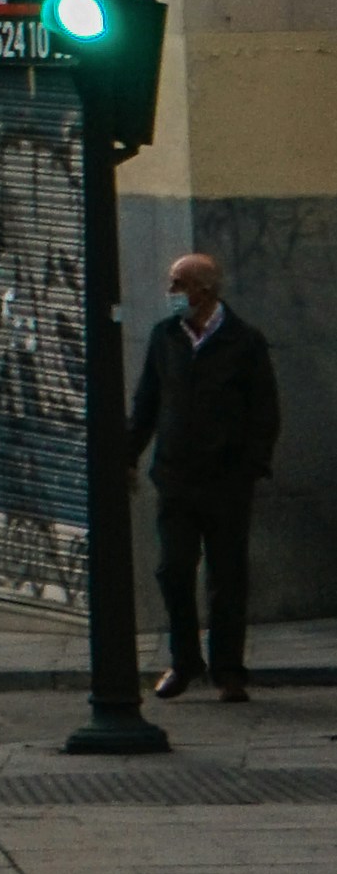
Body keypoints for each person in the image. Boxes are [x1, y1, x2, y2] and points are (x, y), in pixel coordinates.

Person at [130, 247, 280, 705]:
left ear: (204, 290)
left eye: (179, 284)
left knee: (227, 577)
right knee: (172, 570)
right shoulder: (165, 337)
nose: (171, 292)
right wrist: (128, 455)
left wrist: (249, 467)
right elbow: (147, 403)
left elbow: (264, 410)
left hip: (226, 482)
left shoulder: (244, 341)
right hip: (175, 478)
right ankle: (185, 659)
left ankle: (229, 670)